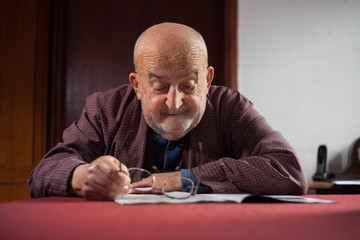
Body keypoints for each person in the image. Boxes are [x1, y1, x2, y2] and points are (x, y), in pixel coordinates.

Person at [28, 22, 308, 200]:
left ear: (207, 80)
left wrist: (186, 179)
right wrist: (82, 176)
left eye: (188, 86)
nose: (175, 103)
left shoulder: (230, 108)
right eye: (160, 88)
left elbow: (289, 170)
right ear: (137, 86)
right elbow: (44, 171)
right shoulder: (106, 109)